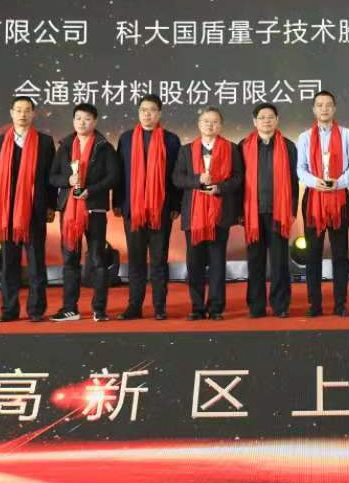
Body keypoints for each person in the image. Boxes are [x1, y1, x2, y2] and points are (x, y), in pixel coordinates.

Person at [0, 95, 58, 323]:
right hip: (7, 213)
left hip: (35, 210)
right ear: (11, 113)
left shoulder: (45, 142)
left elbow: (50, 178)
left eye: (27, 110)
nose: (23, 114)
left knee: (37, 262)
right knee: (9, 264)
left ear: (33, 114)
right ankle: (9, 309)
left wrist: (51, 205)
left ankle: (36, 309)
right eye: (18, 110)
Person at [171, 107, 245, 321]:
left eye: (214, 122)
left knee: (217, 262)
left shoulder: (231, 149)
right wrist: (198, 180)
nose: (210, 125)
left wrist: (219, 187)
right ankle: (197, 307)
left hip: (220, 214)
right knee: (194, 263)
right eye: (206, 121)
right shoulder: (186, 150)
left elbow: (238, 178)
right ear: (199, 125)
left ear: (220, 125)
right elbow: (177, 178)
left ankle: (216, 307)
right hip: (193, 215)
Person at [112, 94, 181, 320]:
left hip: (161, 209)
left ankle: (159, 306)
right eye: (143, 110)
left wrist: (175, 204)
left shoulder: (171, 140)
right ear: (138, 112)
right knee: (136, 260)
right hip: (133, 209)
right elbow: (120, 173)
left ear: (159, 113)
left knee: (159, 260)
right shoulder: (126, 139)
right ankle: (134, 306)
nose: (147, 114)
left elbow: (175, 175)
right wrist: (118, 202)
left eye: (151, 110)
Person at [48, 103, 119, 322]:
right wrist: (68, 181)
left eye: (87, 119)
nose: (82, 122)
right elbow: (52, 177)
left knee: (97, 259)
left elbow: (114, 177)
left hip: (94, 208)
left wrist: (91, 190)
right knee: (70, 259)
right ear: (73, 121)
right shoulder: (65, 146)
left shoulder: (104, 146)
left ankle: (99, 309)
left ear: (95, 121)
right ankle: (70, 308)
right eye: (78, 118)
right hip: (69, 210)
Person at [296, 90, 349, 317]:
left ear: (334, 109)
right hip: (313, 198)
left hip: (339, 196)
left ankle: (340, 304)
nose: (324, 109)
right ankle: (314, 304)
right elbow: (300, 168)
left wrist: (339, 182)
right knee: (312, 253)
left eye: (328, 105)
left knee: (340, 252)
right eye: (319, 105)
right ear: (314, 109)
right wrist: (316, 182)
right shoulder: (305, 137)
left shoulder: (347, 135)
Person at [238, 103, 299, 318]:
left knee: (279, 261)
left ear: (277, 120)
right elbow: (238, 181)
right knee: (255, 260)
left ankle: (280, 305)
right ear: (254, 121)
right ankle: (256, 306)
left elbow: (294, 181)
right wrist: (239, 212)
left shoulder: (288, 146)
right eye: (262, 117)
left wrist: (292, 209)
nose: (266, 120)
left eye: (270, 117)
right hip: (252, 212)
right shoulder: (243, 146)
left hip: (279, 212)